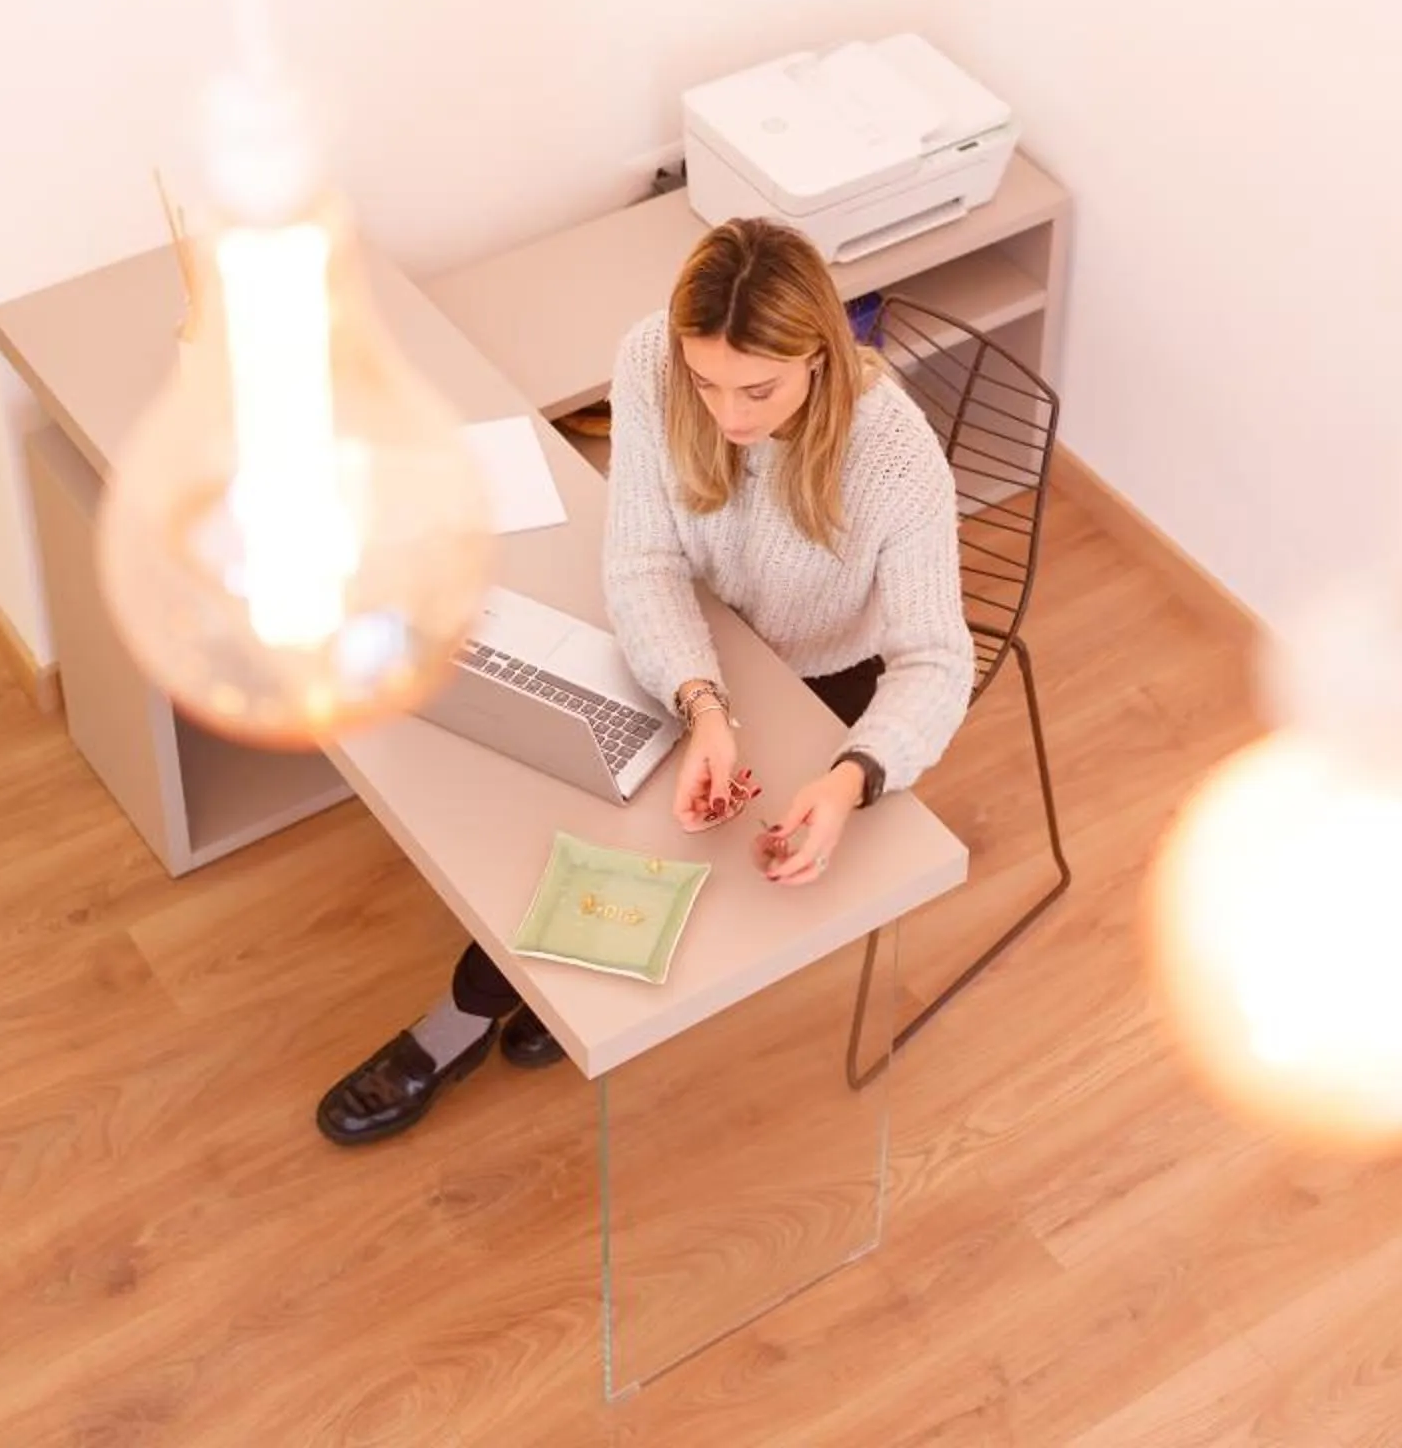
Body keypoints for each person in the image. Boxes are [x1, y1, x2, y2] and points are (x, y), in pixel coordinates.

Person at [317, 217, 973, 1145]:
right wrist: (702, 702)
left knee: (679, 844)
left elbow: (938, 661)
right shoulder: (651, 364)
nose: (730, 417)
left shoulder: (894, 456)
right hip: (696, 640)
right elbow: (641, 561)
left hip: (823, 675)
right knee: (589, 800)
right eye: (707, 385)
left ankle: (513, 1004)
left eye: (759, 389)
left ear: (821, 356)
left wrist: (849, 778)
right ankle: (476, 1011)